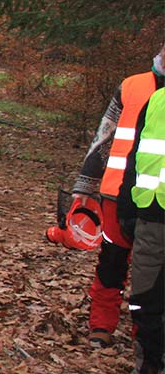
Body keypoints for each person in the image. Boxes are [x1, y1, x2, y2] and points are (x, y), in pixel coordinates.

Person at [67, 44, 165, 347]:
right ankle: (101, 326)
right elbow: (104, 134)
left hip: (158, 200)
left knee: (154, 274)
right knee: (111, 263)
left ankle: (146, 339)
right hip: (115, 192)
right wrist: (84, 186)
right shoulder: (131, 86)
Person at [104, 86, 165, 374]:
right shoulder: (156, 99)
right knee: (144, 300)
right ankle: (148, 369)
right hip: (151, 217)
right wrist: (128, 208)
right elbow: (136, 156)